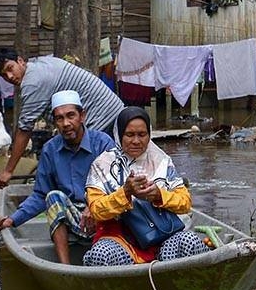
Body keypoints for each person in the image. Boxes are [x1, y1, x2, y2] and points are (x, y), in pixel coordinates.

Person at [0, 90, 115, 265]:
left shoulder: (103, 143)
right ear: (55, 122)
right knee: (53, 197)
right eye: (60, 118)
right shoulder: (50, 150)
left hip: (102, 214)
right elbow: (40, 195)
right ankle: (65, 267)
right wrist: (12, 219)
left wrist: (94, 205)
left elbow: (115, 185)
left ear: (82, 116)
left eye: (71, 116)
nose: (66, 123)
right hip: (72, 219)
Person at [83, 107, 209, 266]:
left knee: (189, 241)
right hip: (120, 240)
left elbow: (185, 203)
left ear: (149, 134)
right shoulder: (102, 165)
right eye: (129, 135)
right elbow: (96, 210)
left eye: (142, 135)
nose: (136, 141)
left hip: (163, 235)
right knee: (102, 254)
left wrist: (159, 195)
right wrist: (125, 193)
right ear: (119, 134)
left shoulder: (161, 161)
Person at [0, 47, 125, 188]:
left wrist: (8, 171)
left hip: (102, 119)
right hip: (116, 111)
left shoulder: (32, 83)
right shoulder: (41, 63)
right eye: (4, 75)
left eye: (10, 68)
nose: (10, 77)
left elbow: (24, 129)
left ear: (20, 61)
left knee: (94, 174)